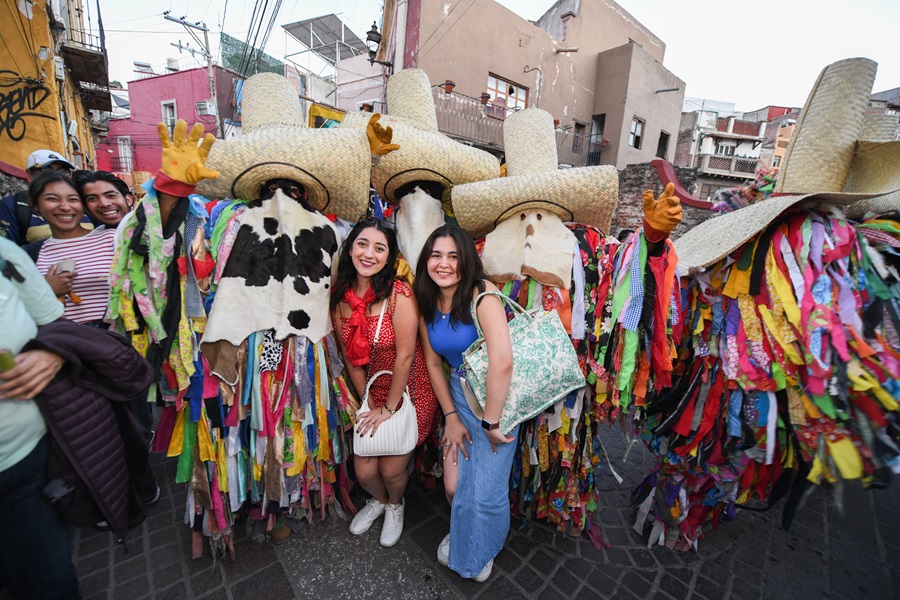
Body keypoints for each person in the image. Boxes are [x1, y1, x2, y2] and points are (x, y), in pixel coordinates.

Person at [414, 225, 516, 582]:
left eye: (453, 256)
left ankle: (483, 545)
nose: (443, 264)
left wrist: (490, 421)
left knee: (486, 490)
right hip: (459, 395)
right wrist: (451, 417)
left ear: (467, 260)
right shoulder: (426, 299)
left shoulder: (482, 292)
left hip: (497, 401)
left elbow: (502, 360)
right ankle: (466, 531)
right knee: (455, 485)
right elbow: (431, 363)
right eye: (436, 255)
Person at [331, 218, 439, 547]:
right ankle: (379, 499)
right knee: (364, 472)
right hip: (373, 393)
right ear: (350, 248)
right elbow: (351, 359)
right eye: (362, 244)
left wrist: (388, 408)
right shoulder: (339, 302)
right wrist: (368, 402)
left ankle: (395, 503)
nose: (369, 254)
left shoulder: (399, 295)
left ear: (388, 257)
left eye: (380, 248)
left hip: (411, 392)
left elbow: (406, 356)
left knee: (392, 471)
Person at [0, 236, 81, 599]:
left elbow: (55, 325)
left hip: (22, 460)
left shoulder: (4, 254)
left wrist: (52, 354)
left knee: (49, 581)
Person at [24, 171, 117, 327]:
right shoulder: (29, 255)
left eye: (73, 199)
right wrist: (46, 290)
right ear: (35, 205)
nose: (65, 207)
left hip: (117, 341)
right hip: (60, 343)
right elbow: (13, 310)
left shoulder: (112, 239)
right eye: (52, 199)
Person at [0, 149, 92, 245]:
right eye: (47, 170)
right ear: (29, 174)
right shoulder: (14, 205)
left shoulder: (84, 201)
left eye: (63, 170)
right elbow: (6, 252)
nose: (56, 175)